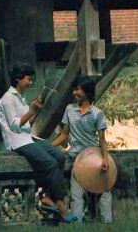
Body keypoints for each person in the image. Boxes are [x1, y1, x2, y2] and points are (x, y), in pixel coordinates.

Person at [0, 62, 76, 223]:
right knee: (50, 163)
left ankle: (48, 196)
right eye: (29, 79)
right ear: (18, 79)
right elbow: (14, 125)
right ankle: (60, 204)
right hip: (16, 141)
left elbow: (27, 125)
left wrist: (36, 112)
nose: (31, 83)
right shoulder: (7, 99)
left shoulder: (21, 97)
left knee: (59, 156)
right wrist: (31, 111)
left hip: (28, 137)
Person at [52, 75, 112, 224]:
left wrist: (105, 159)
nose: (74, 92)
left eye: (77, 89)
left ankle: (107, 223)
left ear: (86, 91)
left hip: (94, 159)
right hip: (77, 159)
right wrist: (50, 146)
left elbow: (102, 139)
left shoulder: (97, 113)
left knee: (104, 192)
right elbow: (64, 134)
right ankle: (77, 225)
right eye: (74, 89)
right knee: (76, 194)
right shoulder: (69, 109)